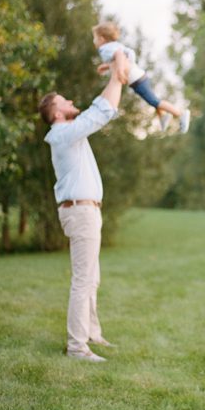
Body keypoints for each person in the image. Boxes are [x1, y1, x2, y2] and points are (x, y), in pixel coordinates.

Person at [38, 59, 128, 362]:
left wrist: (115, 77)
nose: (71, 101)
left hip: (86, 211)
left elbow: (100, 109)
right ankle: (77, 346)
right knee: (83, 280)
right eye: (66, 101)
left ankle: (91, 333)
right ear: (57, 112)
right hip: (80, 213)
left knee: (92, 277)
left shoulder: (69, 133)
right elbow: (101, 112)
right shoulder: (63, 133)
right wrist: (117, 75)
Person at [91, 21, 190, 133]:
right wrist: (106, 67)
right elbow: (119, 58)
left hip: (137, 80)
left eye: (94, 38)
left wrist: (120, 71)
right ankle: (163, 116)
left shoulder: (105, 49)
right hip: (139, 77)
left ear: (101, 38)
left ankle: (180, 114)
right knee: (153, 100)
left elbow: (119, 55)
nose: (94, 41)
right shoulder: (114, 45)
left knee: (155, 101)